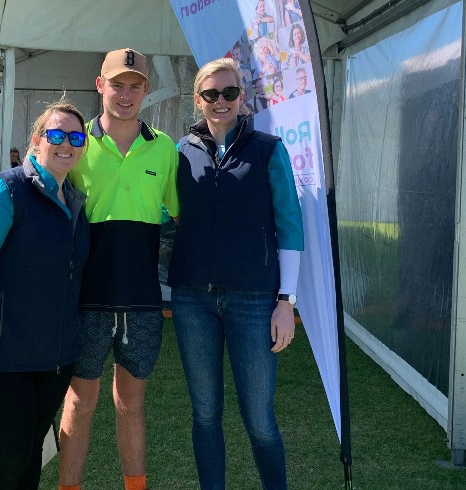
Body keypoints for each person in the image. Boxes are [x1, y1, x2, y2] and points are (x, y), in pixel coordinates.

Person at [168, 58, 303, 490]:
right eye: (211, 94)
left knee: (260, 419)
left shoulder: (268, 148)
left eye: (229, 93)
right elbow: (163, 212)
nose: (220, 101)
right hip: (192, 299)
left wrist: (286, 301)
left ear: (242, 97)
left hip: (253, 300)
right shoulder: (180, 151)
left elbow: (290, 224)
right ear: (198, 99)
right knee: (205, 413)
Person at [0, 100, 90, 489]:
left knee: (31, 455)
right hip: (4, 358)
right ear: (36, 141)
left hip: (55, 360)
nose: (67, 144)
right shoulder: (5, 190)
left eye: (76, 137)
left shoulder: (75, 200)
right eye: (57, 135)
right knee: (4, 463)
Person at [58, 48, 180, 490]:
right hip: (86, 299)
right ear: (99, 85)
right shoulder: (76, 144)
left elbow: (181, 213)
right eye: (117, 84)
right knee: (80, 404)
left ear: (146, 89)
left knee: (131, 405)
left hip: (143, 301)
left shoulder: (164, 147)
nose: (125, 95)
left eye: (135, 85)